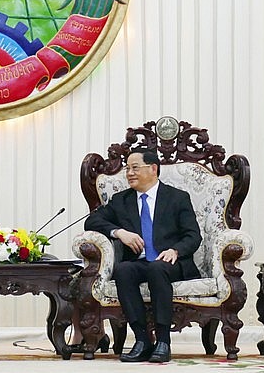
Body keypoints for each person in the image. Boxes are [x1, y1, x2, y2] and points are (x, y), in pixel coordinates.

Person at [84, 149, 201, 363]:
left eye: (135, 167)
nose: (129, 173)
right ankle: (142, 340)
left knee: (157, 268)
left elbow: (193, 236)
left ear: (153, 169)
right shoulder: (122, 200)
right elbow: (92, 222)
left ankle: (163, 341)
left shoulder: (177, 198)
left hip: (170, 263)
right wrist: (119, 233)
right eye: (127, 169)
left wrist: (175, 250)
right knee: (123, 270)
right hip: (140, 262)